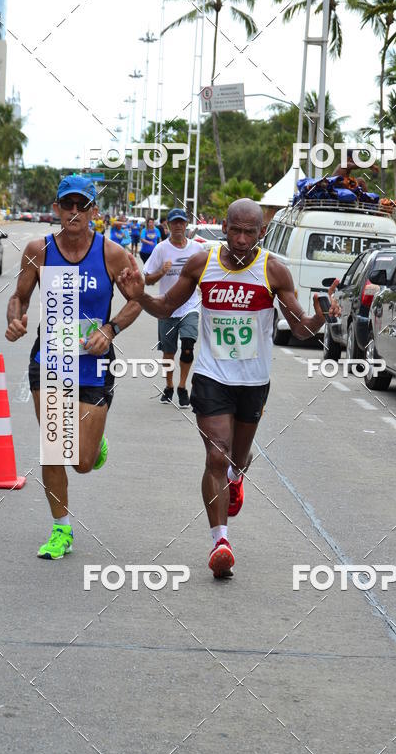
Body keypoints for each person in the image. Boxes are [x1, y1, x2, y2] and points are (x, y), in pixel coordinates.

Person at [119, 198, 340, 579]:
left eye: (248, 232)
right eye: (234, 230)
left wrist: (321, 315)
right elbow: (167, 306)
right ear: (224, 226)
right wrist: (139, 296)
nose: (240, 239)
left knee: (237, 458)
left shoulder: (273, 270)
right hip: (210, 376)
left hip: (253, 381)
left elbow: (301, 328)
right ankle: (220, 541)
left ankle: (236, 480)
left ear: (262, 232)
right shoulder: (202, 262)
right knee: (216, 457)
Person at [5, 174, 142, 560]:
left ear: (95, 212)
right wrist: (15, 320)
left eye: (83, 205)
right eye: (68, 204)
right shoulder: (39, 250)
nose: (75, 212)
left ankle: (95, 444)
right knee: (53, 449)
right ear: (57, 210)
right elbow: (19, 298)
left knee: (81, 462)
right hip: (49, 360)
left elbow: (136, 301)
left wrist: (111, 329)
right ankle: (60, 529)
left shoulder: (112, 254)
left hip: (94, 365)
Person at [144, 208, 204, 407]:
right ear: (167, 225)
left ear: (186, 224)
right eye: (174, 223)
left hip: (190, 306)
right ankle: (169, 386)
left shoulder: (197, 249)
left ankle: (182, 386)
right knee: (168, 353)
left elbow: (207, 275)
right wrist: (162, 271)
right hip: (167, 307)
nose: (178, 226)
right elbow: (147, 279)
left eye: (181, 222)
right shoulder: (161, 249)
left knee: (188, 346)